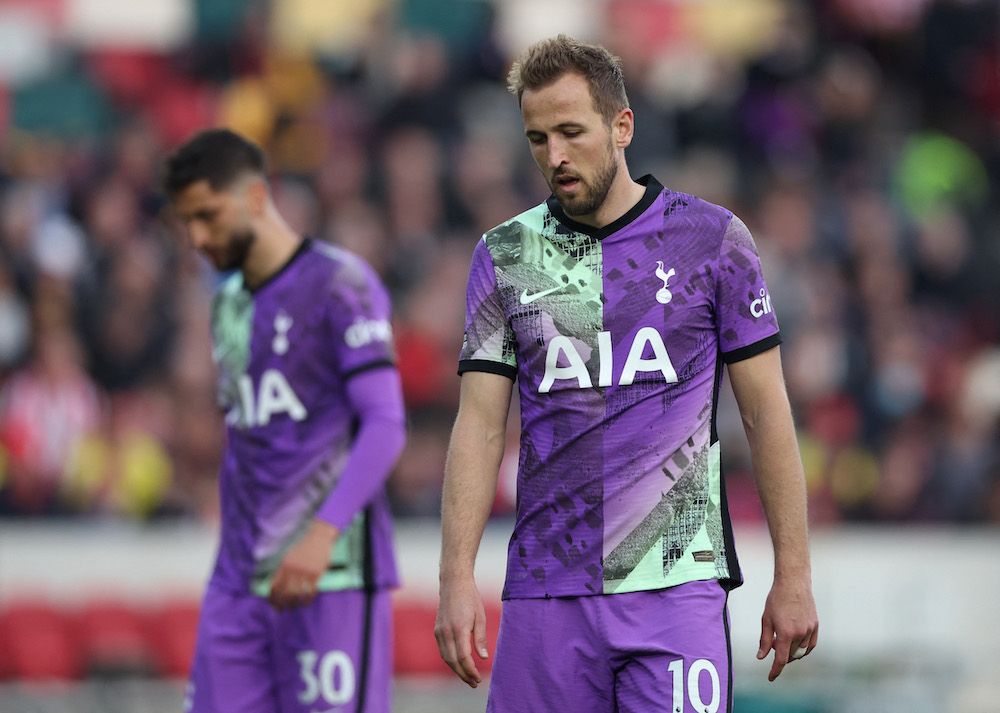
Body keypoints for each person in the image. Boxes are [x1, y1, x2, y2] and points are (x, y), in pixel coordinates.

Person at [434, 36, 818, 713]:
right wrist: (455, 577)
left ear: (622, 126)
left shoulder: (712, 240)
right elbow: (480, 425)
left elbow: (765, 413)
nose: (554, 155)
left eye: (571, 132)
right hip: (548, 589)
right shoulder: (506, 255)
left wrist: (794, 574)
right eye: (537, 138)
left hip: (675, 582)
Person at [163, 128, 406, 713]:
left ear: (254, 197)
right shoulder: (226, 305)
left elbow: (385, 423)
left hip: (330, 573)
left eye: (207, 216)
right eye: (186, 222)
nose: (197, 238)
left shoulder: (339, 283)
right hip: (237, 580)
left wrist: (321, 534)